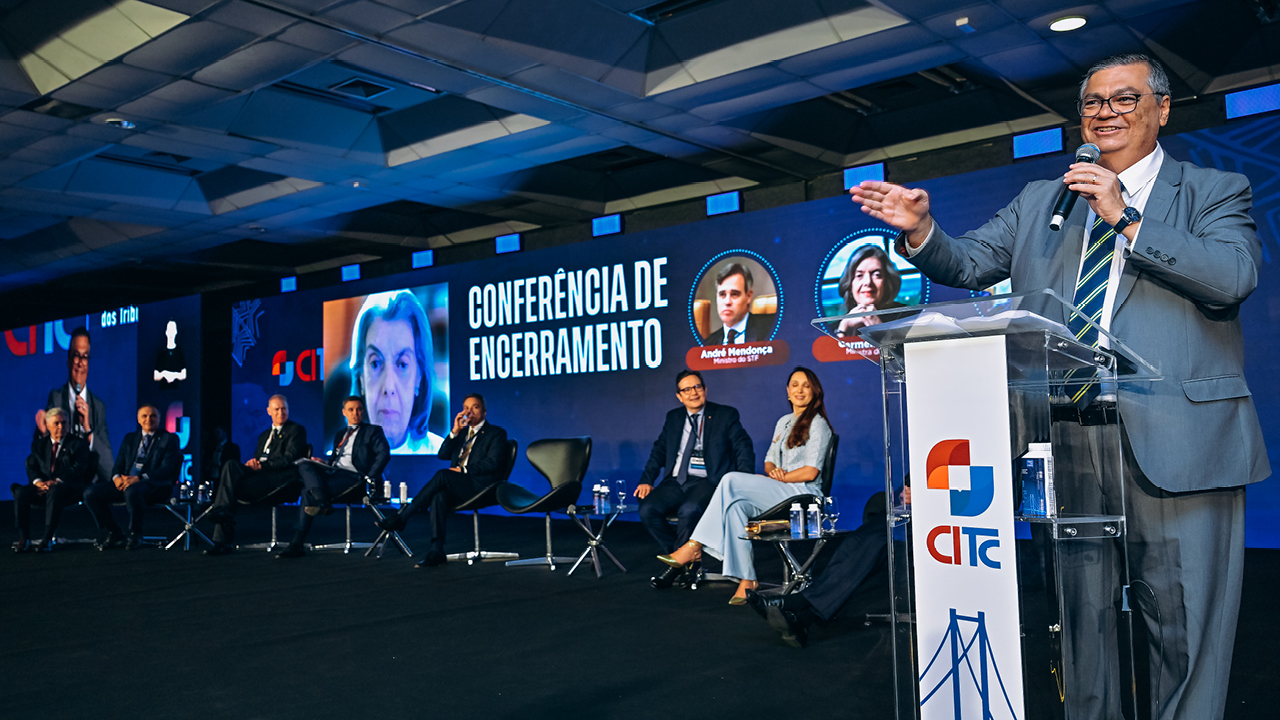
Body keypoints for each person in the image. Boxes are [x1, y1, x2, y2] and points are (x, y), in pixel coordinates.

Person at [851, 53, 1269, 720]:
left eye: (1125, 100)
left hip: (1182, 442)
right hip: (1071, 441)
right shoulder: (1043, 202)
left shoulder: (1214, 190)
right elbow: (970, 260)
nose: (1106, 113)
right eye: (1094, 103)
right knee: (1082, 626)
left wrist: (1126, 217)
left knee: (1182, 628)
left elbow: (1232, 276)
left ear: (1162, 109)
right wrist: (922, 231)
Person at [661, 367, 833, 604]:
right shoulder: (784, 422)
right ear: (787, 391)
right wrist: (774, 471)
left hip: (804, 496)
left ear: (815, 391)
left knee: (730, 479)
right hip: (783, 490)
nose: (800, 390)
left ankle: (694, 544)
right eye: (794, 385)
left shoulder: (818, 424)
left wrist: (780, 477)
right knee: (735, 508)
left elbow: (811, 471)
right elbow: (769, 461)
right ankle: (747, 579)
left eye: (806, 385)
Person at [636, 369, 755, 589]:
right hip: (675, 481)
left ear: (705, 389)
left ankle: (674, 569)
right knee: (647, 510)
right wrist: (647, 480)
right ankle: (687, 562)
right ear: (679, 396)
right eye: (687, 389)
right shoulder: (673, 417)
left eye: (697, 387)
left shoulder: (725, 414)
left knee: (689, 511)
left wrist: (744, 481)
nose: (693, 392)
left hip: (707, 481)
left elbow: (743, 448)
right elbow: (659, 450)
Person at [374, 393, 508, 568]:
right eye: (466, 408)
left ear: (484, 412)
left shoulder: (496, 433)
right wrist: (454, 432)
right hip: (461, 485)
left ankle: (403, 517)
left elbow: (493, 463)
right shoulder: (461, 433)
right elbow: (442, 454)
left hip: (482, 486)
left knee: (443, 475)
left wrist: (463, 469)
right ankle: (437, 550)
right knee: (439, 496)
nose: (469, 412)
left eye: (474, 407)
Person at [277, 396, 390, 559]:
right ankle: (321, 499)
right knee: (304, 464)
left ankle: (297, 542)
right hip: (335, 473)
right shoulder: (340, 434)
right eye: (351, 410)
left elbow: (384, 455)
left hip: (355, 478)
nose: (355, 413)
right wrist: (324, 462)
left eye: (359, 409)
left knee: (307, 491)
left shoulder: (373, 431)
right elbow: (337, 460)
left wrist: (369, 477)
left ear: (363, 411)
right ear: (344, 412)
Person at [205, 395, 308, 555]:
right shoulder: (264, 435)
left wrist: (262, 465)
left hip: (280, 479)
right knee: (231, 466)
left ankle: (221, 539)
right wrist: (254, 464)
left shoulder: (296, 430)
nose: (281, 412)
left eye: (284, 409)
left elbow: (289, 458)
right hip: (260, 475)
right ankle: (223, 511)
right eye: (277, 409)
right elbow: (259, 458)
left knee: (229, 489)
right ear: (269, 411)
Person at [348, 290, 443, 454]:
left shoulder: (443, 456)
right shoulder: (338, 462)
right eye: (376, 363)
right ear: (361, 377)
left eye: (402, 365)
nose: (389, 387)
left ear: (418, 378)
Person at [83, 405, 181, 550]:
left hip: (154, 484)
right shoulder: (130, 438)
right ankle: (115, 532)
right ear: (138, 420)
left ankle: (136, 534)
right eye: (144, 416)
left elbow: (166, 470)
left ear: (159, 418)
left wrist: (139, 478)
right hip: (126, 481)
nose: (149, 419)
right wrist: (116, 478)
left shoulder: (169, 438)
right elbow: (118, 464)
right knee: (90, 493)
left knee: (132, 491)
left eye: (153, 416)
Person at [12, 408, 92, 552]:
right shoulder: (38, 445)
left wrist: (56, 481)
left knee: (55, 490)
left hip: (67, 488)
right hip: (42, 487)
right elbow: (31, 467)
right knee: (20, 491)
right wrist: (38, 482)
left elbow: (78, 469)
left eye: (64, 423)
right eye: (56, 423)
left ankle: (47, 538)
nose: (61, 426)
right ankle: (24, 538)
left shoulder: (78, 444)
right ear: (48, 426)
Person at [45, 326, 113, 484]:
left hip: (88, 485)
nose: (80, 363)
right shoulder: (55, 398)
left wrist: (88, 429)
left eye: (85, 356)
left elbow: (108, 468)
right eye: (76, 356)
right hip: (60, 484)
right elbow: (43, 452)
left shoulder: (98, 406)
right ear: (68, 360)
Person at [833, 244, 903, 337]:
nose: (868, 282)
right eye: (859, 275)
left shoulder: (909, 319)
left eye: (876, 275)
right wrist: (842, 330)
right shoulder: (835, 327)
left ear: (887, 282)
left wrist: (880, 329)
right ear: (849, 285)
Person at [702, 262, 773, 345]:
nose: (727, 302)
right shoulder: (708, 343)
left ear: (748, 296)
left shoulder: (772, 326)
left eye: (734, 294)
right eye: (722, 294)